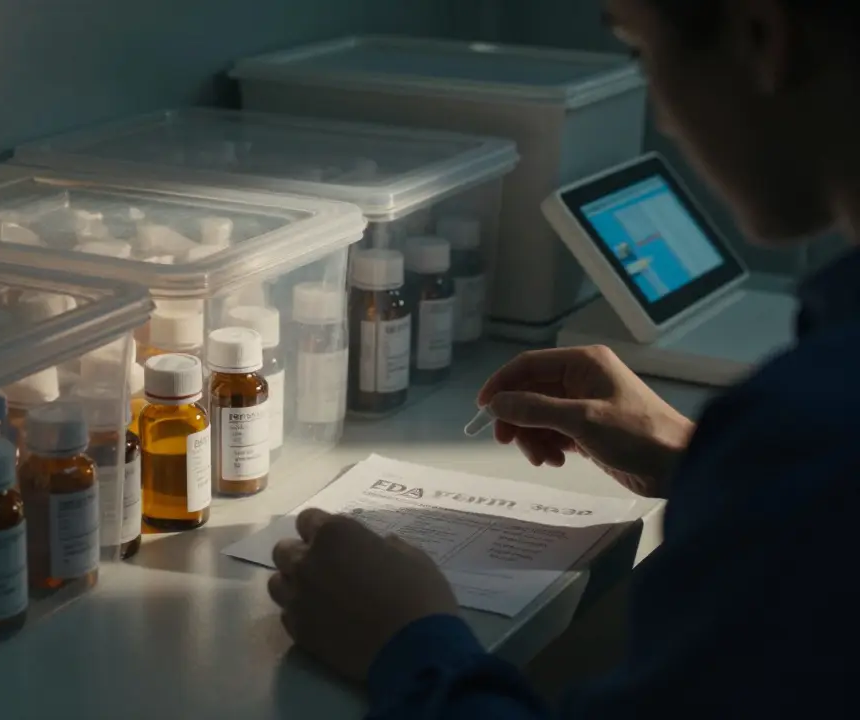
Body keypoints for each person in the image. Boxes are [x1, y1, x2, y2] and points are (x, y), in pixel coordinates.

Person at [267, 0, 860, 717]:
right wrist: (696, 459)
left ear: (766, 38)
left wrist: (404, 636)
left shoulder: (814, 439)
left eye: (640, 53)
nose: (664, 121)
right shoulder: (809, 438)